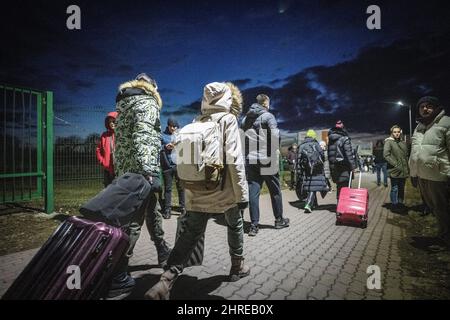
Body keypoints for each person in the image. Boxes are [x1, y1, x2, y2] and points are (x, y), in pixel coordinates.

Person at [144, 82, 250, 300]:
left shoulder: (196, 121)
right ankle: (237, 266)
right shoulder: (228, 120)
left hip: (197, 190)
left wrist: (189, 194)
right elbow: (235, 160)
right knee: (235, 225)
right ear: (230, 99)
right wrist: (242, 195)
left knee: (190, 235)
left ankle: (166, 280)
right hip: (224, 191)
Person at [107, 73, 171, 299]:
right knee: (134, 222)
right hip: (143, 170)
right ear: (153, 87)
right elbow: (144, 136)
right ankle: (118, 275)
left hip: (127, 169)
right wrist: (148, 172)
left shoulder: (124, 104)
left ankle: (162, 250)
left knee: (153, 211)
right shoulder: (147, 101)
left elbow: (122, 141)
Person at [241, 94, 290, 237]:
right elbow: (276, 136)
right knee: (275, 190)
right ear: (265, 103)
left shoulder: (245, 119)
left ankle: (254, 225)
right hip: (266, 159)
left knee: (253, 193)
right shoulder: (268, 116)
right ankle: (279, 220)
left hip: (251, 160)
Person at [409, 96, 450, 245]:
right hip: (422, 175)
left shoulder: (446, 123)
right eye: (422, 107)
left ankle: (445, 239)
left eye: (429, 106)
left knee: (442, 208)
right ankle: (443, 234)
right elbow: (414, 153)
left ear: (436, 107)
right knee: (433, 207)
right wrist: (413, 173)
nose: (425, 109)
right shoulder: (419, 127)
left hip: (438, 176)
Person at [160, 117, 185, 219]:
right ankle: (167, 210)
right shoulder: (162, 135)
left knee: (181, 187)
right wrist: (165, 147)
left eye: (175, 127)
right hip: (167, 166)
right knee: (168, 189)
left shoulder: (179, 135)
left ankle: (183, 208)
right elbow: (157, 147)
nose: (174, 128)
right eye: (172, 126)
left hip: (178, 165)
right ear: (168, 125)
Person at [298, 130, 328, 213]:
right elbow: (322, 157)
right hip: (317, 170)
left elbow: (298, 160)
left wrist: (299, 171)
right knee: (313, 188)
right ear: (313, 136)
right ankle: (308, 204)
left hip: (306, 170)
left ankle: (314, 203)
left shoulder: (301, 146)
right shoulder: (316, 144)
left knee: (311, 186)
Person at [327, 120, 357, 201]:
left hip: (335, 168)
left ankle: (339, 207)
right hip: (344, 167)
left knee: (339, 187)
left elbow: (330, 155)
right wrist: (353, 167)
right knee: (346, 187)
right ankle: (343, 208)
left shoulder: (331, 140)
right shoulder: (345, 139)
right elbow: (349, 154)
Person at [383, 125, 409, 211]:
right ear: (392, 133)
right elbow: (386, 155)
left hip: (403, 169)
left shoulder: (403, 142)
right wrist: (395, 164)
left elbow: (406, 155)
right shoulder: (389, 142)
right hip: (394, 169)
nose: (397, 134)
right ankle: (394, 205)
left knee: (402, 188)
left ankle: (400, 204)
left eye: (398, 132)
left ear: (400, 132)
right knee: (395, 188)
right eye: (395, 132)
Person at [96, 111, 117, 187]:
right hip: (107, 169)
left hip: (119, 168)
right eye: (110, 122)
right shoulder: (104, 135)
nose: (111, 123)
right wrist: (102, 161)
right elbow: (98, 150)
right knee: (108, 190)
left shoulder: (122, 134)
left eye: (114, 121)